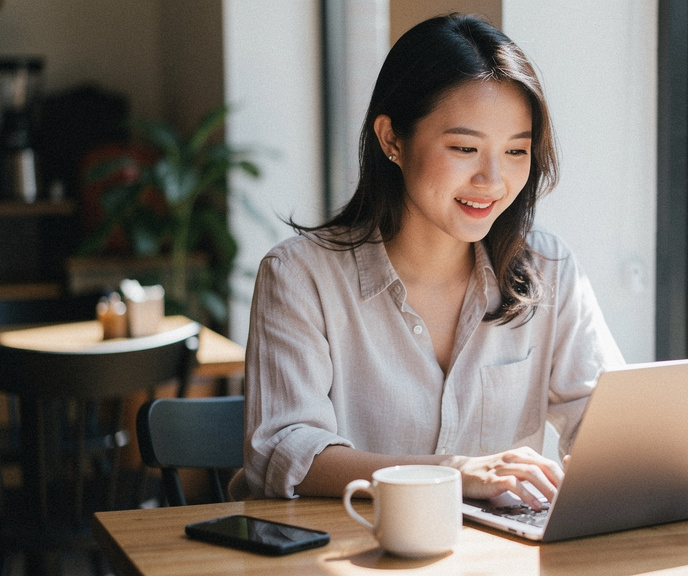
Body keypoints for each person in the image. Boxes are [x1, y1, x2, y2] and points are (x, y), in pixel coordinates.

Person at [229, 13, 624, 510]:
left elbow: (606, 424)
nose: (494, 180)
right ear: (392, 138)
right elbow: (282, 450)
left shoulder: (548, 268)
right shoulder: (299, 276)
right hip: (351, 554)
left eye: (516, 151)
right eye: (464, 148)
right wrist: (455, 474)